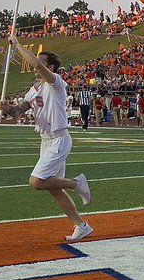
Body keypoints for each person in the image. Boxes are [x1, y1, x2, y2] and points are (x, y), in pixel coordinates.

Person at [9, 35, 93, 241]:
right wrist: (7, 108)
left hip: (59, 139)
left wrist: (18, 45)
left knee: (37, 182)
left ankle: (76, 183)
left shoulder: (56, 84)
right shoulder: (34, 89)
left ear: (51, 68)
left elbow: (36, 63)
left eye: (42, 65)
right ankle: (81, 226)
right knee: (54, 189)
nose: (35, 68)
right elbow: (19, 110)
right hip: (45, 140)